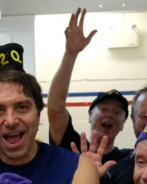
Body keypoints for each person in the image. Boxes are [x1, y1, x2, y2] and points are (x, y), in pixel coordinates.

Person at [46, 10, 129, 165]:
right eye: (103, 109)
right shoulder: (71, 146)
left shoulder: (129, 159)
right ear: (90, 115)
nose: (110, 115)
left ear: (123, 124)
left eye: (117, 112)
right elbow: (55, 109)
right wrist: (70, 55)